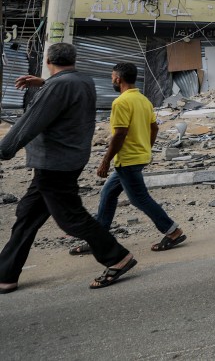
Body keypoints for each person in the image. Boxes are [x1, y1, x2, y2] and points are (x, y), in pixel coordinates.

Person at [0, 44, 136, 292]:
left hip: (55, 164)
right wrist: (46, 84)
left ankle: (117, 257)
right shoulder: (83, 80)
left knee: (70, 218)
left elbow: (29, 123)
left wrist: (4, 149)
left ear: (48, 59)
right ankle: (6, 274)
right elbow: (66, 94)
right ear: (73, 60)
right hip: (67, 160)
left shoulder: (59, 86)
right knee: (26, 216)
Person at [68, 63, 186, 256]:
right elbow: (154, 128)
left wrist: (105, 161)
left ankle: (173, 232)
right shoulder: (143, 100)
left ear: (118, 79)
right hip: (137, 157)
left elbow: (120, 134)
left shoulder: (121, 102)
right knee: (108, 194)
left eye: (112, 76)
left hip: (129, 159)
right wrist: (146, 148)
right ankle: (99, 238)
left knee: (139, 199)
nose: (112, 79)